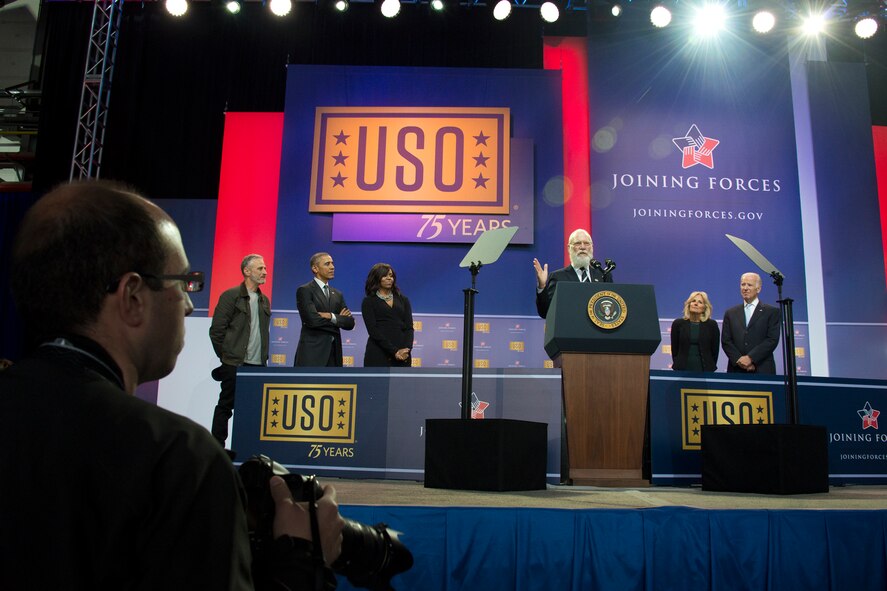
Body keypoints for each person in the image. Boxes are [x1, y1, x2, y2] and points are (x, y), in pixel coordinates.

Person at [0, 180, 344, 589]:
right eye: (184, 282)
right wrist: (299, 562)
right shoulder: (181, 461)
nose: (189, 304)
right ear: (132, 297)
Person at [209, 254, 271, 447]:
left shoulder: (264, 300)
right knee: (226, 406)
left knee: (254, 411)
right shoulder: (231, 296)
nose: (265, 272)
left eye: (265, 268)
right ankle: (217, 449)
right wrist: (227, 356)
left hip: (258, 365)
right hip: (234, 364)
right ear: (247, 271)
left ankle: (248, 450)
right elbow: (217, 331)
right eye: (260, 268)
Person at [533, 228, 613, 319]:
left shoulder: (603, 275)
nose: (582, 247)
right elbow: (545, 312)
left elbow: (611, 306)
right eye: (578, 243)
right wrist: (542, 286)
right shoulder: (558, 277)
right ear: (569, 248)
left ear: (592, 247)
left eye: (586, 243)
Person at [295, 252, 355, 367]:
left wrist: (331, 316)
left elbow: (350, 323)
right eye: (327, 264)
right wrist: (338, 320)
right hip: (312, 354)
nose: (332, 267)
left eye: (332, 263)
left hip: (334, 355)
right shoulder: (305, 290)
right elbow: (312, 320)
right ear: (315, 268)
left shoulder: (337, 294)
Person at [721, 272, 781, 374]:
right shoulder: (730, 313)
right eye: (743, 284)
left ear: (758, 289)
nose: (745, 288)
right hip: (736, 370)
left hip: (762, 368)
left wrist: (751, 358)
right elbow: (726, 341)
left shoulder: (771, 312)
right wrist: (739, 360)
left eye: (749, 285)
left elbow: (772, 339)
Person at [361, 263, 414, 367]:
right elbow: (373, 330)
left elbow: (409, 327)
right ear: (377, 278)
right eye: (385, 276)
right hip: (378, 353)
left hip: (402, 355)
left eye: (391, 275)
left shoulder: (403, 300)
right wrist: (394, 351)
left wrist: (406, 349)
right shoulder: (369, 301)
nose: (389, 278)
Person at [670, 291, 720, 372]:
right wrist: (678, 364)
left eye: (700, 302)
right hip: (682, 369)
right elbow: (675, 350)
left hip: (705, 370)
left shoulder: (712, 325)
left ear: (704, 308)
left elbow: (715, 351)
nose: (696, 303)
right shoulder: (678, 324)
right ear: (689, 304)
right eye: (693, 301)